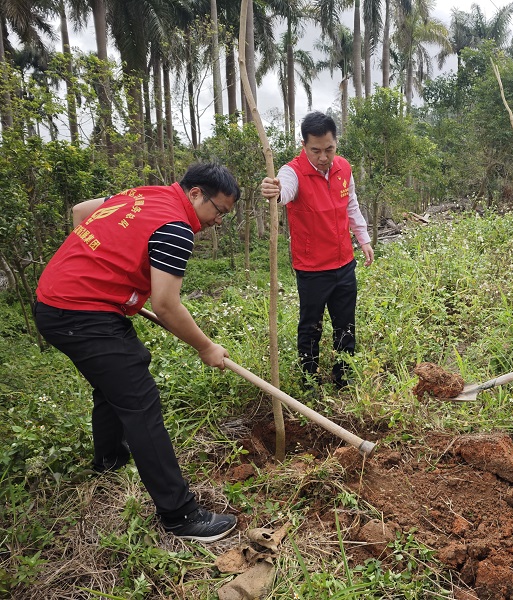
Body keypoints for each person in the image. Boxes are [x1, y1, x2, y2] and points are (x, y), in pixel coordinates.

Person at [34, 163, 241, 542]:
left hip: (54, 302)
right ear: (196, 193)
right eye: (219, 211)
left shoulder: (144, 195)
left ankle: (109, 458)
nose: (218, 221)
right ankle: (180, 515)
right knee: (140, 403)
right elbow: (166, 304)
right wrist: (206, 347)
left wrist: (103, 266)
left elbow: (81, 212)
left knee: (115, 379)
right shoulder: (177, 228)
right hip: (81, 313)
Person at [260, 111, 374, 389]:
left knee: (345, 324)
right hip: (312, 269)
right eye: (316, 150)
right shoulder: (292, 172)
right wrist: (273, 189)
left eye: (329, 149)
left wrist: (364, 238)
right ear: (304, 144)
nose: (323, 157)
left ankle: (343, 379)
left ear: (336, 142)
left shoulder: (343, 168)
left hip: (345, 263)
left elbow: (351, 205)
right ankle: (308, 381)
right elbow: (284, 191)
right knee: (311, 326)